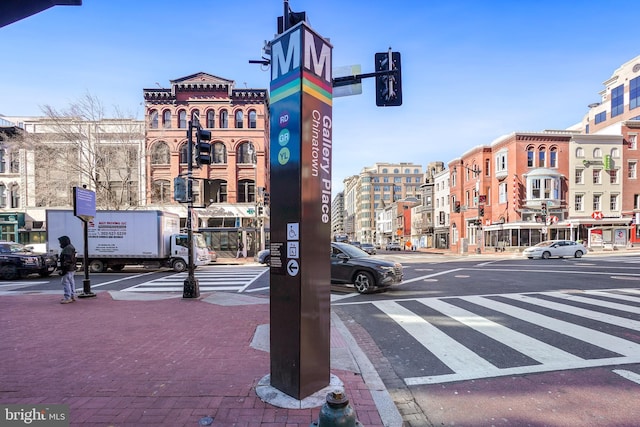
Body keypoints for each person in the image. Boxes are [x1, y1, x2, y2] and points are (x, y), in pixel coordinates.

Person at [58, 235, 77, 304]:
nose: (60, 244)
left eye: (60, 242)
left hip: (68, 268)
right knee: (71, 281)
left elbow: (66, 261)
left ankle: (67, 297)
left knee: (65, 282)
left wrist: (63, 270)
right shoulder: (71, 247)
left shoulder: (67, 249)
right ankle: (72, 295)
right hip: (71, 268)